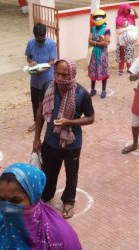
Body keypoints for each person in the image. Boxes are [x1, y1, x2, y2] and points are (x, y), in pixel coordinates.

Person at [33, 59, 94, 218]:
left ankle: (68, 200)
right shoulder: (48, 87)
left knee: (71, 174)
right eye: (57, 73)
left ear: (72, 74)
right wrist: (36, 138)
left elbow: (90, 118)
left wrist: (69, 122)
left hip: (72, 143)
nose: (60, 78)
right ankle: (46, 196)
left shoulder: (81, 93)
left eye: (64, 74)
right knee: (48, 172)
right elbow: (40, 113)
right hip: (50, 141)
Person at [0, 163, 82, 249]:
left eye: (15, 201)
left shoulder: (59, 235)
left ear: (34, 198)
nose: (7, 208)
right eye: (2, 199)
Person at [25, 23, 57, 132]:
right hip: (35, 79)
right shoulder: (30, 43)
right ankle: (36, 122)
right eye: (38, 39)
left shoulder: (51, 44)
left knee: (48, 102)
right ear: (34, 36)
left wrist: (45, 67)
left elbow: (52, 61)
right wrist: (31, 62)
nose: (40, 41)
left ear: (45, 35)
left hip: (47, 78)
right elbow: (28, 57)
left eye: (42, 39)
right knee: (35, 102)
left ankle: (50, 123)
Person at [88, 9, 111, 99]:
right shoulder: (93, 28)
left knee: (103, 70)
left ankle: (104, 90)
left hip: (102, 54)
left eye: (99, 17)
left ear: (104, 18)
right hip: (93, 53)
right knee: (93, 70)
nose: (97, 19)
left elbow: (105, 43)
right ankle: (93, 89)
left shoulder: (107, 29)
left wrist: (95, 42)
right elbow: (89, 41)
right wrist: (99, 42)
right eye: (96, 17)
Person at [116, 3, 138, 75]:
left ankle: (129, 68)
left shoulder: (130, 16)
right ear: (123, 10)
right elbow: (118, 27)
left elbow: (137, 17)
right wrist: (126, 27)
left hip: (129, 39)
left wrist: (134, 10)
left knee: (129, 53)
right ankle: (120, 69)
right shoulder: (119, 17)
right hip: (122, 39)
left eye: (129, 10)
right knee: (122, 54)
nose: (128, 11)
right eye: (127, 10)